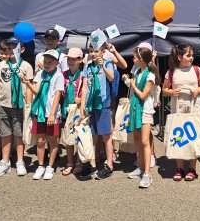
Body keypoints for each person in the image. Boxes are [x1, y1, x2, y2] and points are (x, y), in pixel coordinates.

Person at [162, 44, 200, 181]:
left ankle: (192, 169)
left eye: (192, 55)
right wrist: (172, 91)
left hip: (194, 108)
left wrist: (197, 90)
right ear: (179, 57)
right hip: (177, 108)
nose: (191, 58)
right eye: (188, 55)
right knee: (179, 136)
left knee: (192, 136)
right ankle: (179, 168)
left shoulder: (196, 69)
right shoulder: (171, 72)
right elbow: (164, 89)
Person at [0, 37, 34, 177]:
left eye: (14, 48)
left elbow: (29, 86)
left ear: (22, 50)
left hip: (19, 105)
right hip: (3, 104)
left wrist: (29, 104)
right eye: (8, 48)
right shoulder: (1, 65)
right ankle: (5, 161)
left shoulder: (26, 66)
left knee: (18, 134)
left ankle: (20, 161)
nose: (11, 51)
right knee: (5, 133)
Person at [24, 49, 64, 181]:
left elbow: (57, 95)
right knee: (40, 140)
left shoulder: (58, 76)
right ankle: (40, 165)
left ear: (56, 63)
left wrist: (52, 114)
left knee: (53, 140)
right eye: (45, 62)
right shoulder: (40, 73)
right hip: (39, 111)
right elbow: (36, 91)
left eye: (50, 62)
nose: (47, 64)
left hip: (51, 113)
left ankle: (50, 166)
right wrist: (28, 83)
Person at [122, 46, 159, 188]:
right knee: (137, 139)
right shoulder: (137, 72)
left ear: (141, 59)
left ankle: (147, 174)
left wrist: (132, 84)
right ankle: (141, 166)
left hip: (145, 110)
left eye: (135, 57)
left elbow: (143, 95)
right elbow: (134, 88)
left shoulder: (150, 75)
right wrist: (128, 81)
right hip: (135, 108)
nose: (133, 59)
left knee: (145, 141)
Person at [79, 44, 116, 180]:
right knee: (92, 136)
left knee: (106, 135)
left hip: (103, 103)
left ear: (102, 52)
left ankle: (109, 166)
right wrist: (82, 105)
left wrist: (103, 67)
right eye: (91, 51)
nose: (93, 54)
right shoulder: (88, 66)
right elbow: (84, 87)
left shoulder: (107, 63)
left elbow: (111, 77)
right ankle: (92, 165)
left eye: (96, 51)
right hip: (91, 104)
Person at [61, 48, 84, 176]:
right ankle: (70, 162)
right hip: (66, 110)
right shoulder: (63, 74)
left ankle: (80, 162)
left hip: (78, 110)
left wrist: (81, 99)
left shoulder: (83, 75)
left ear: (80, 60)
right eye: (69, 58)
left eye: (73, 59)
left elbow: (87, 91)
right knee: (68, 137)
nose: (70, 61)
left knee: (79, 136)